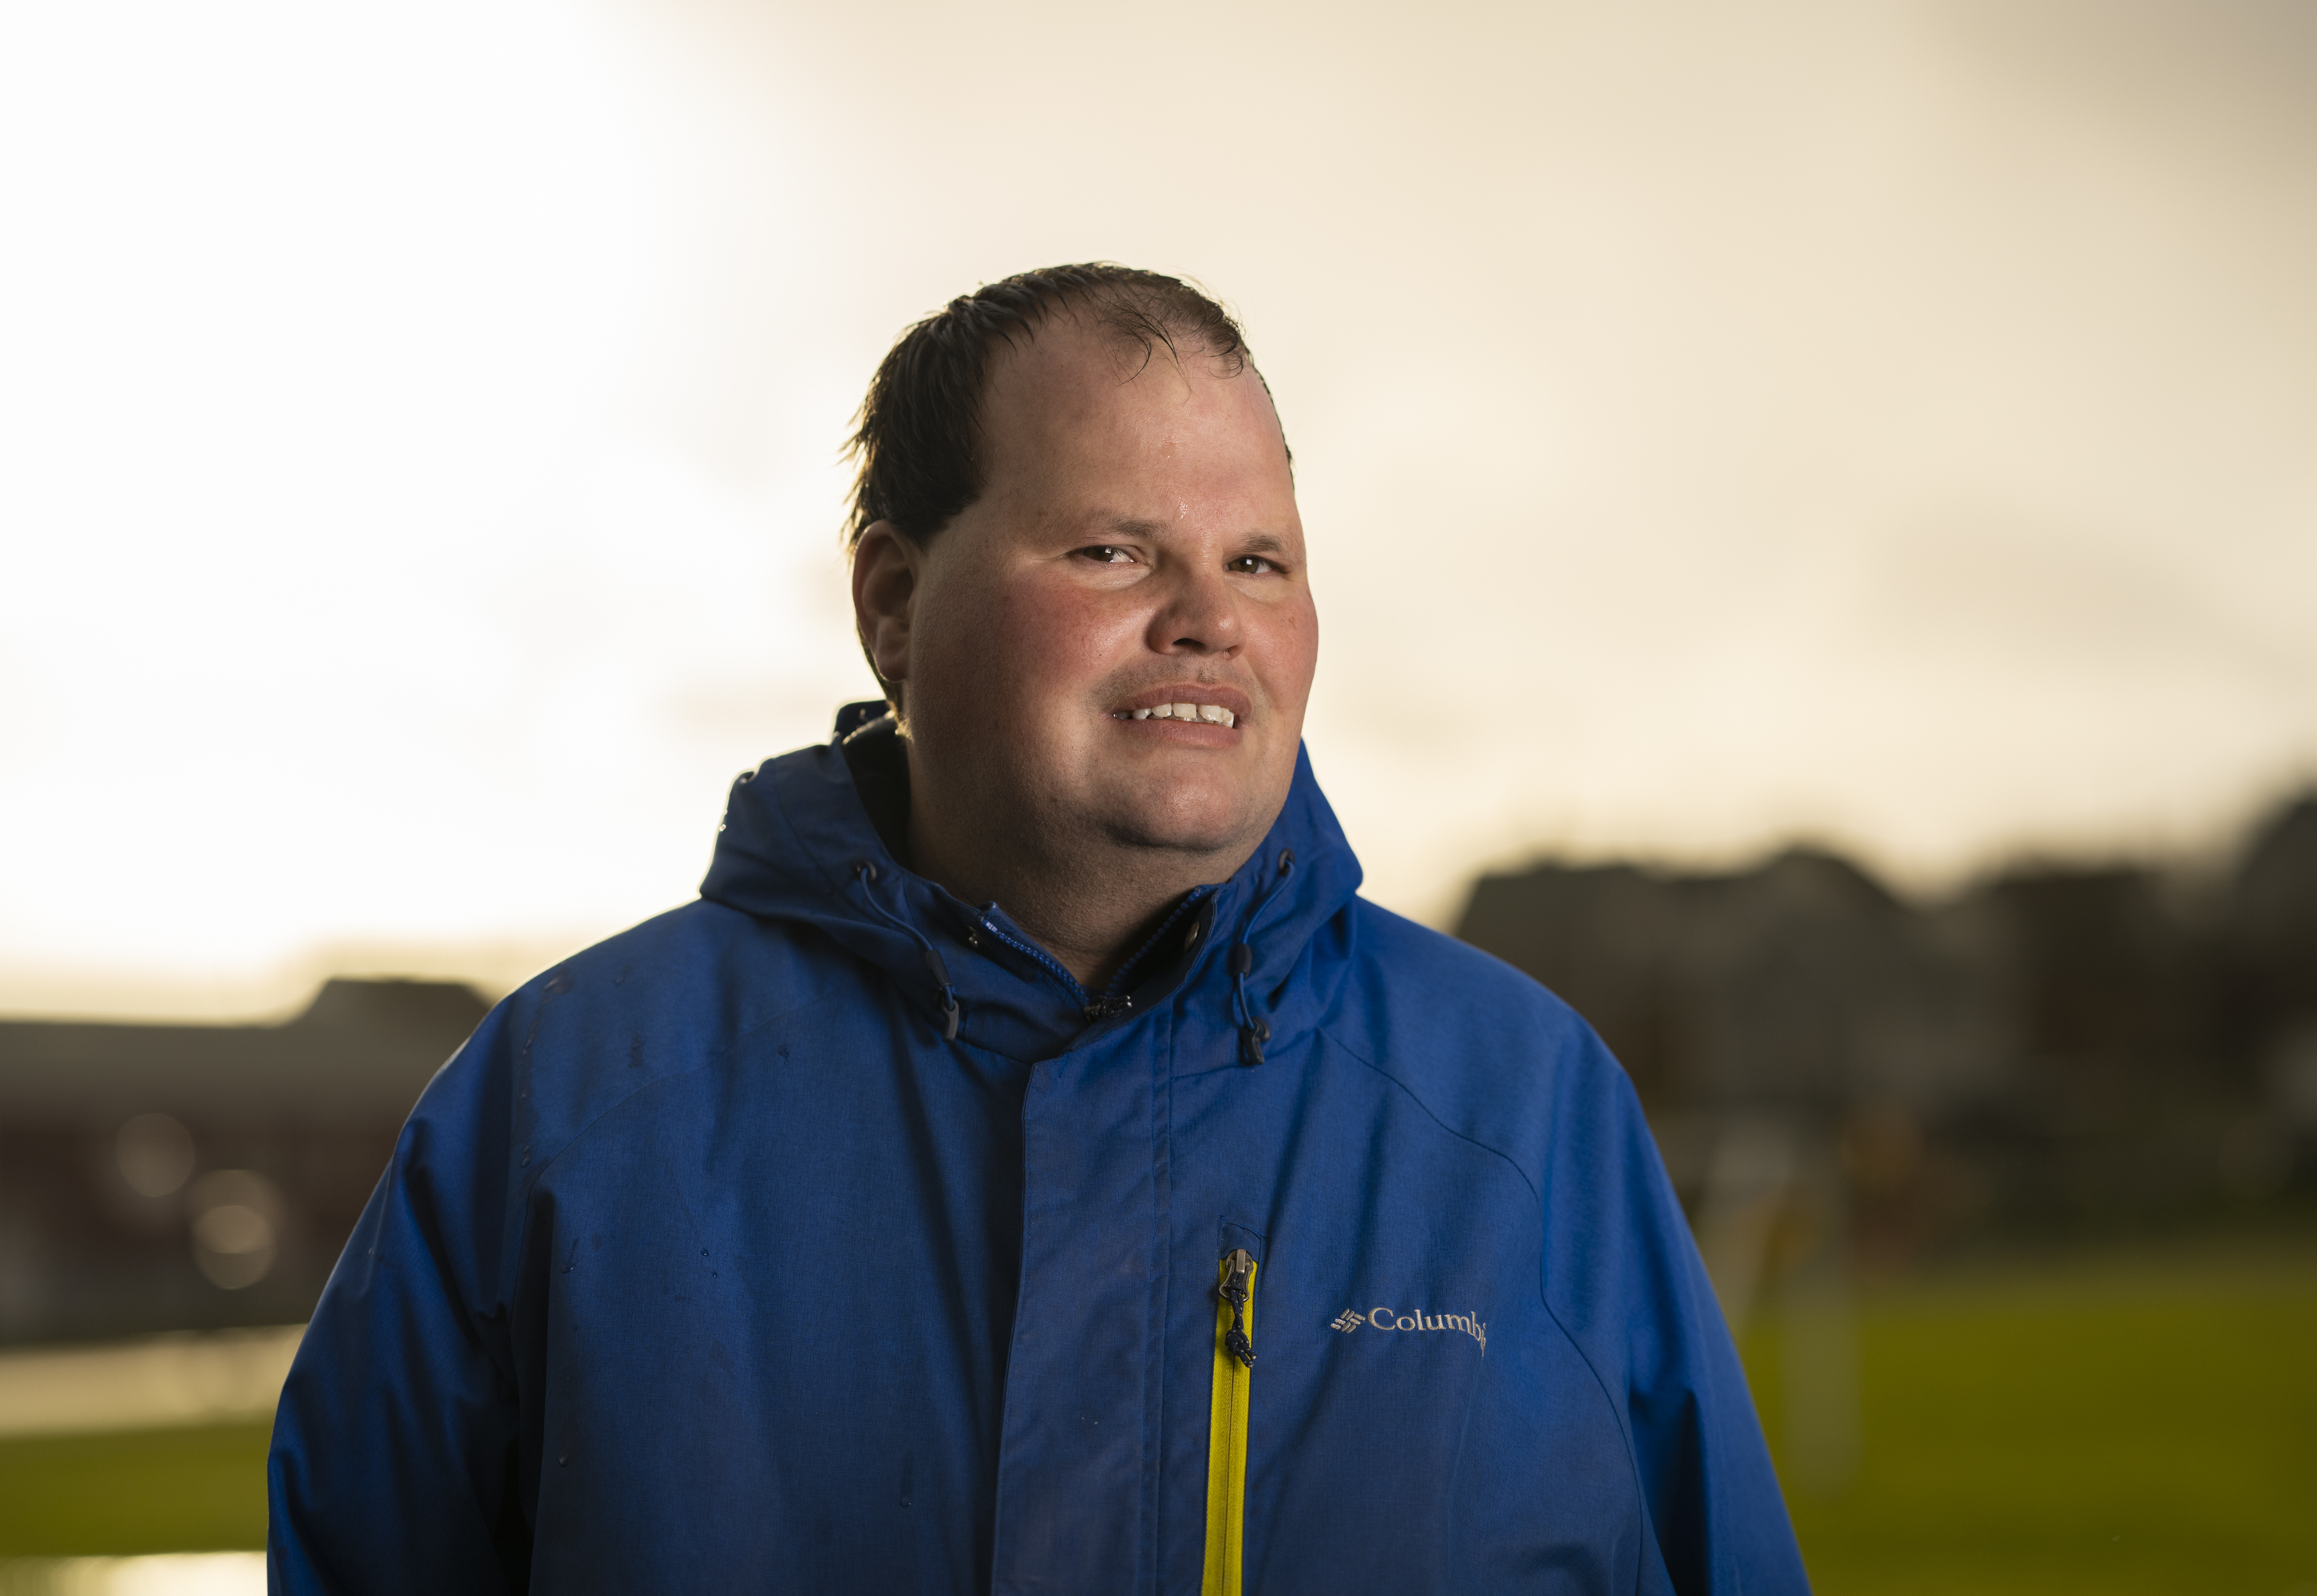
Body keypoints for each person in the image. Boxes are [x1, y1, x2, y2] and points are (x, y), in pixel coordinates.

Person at [267, 263, 1808, 1594]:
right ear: (891, 607)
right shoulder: (564, 1112)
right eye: (1115, 550)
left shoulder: (1525, 1116)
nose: (1209, 614)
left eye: (1258, 560)